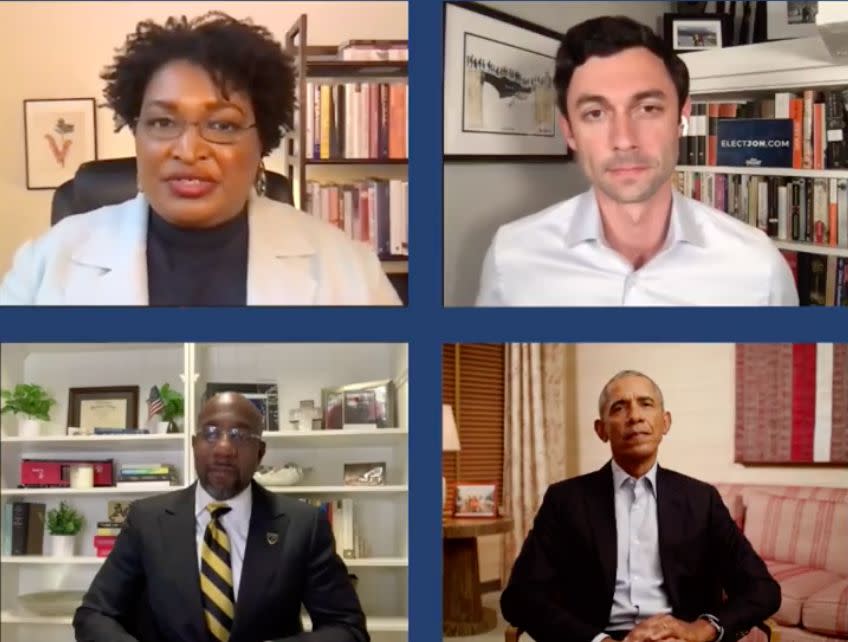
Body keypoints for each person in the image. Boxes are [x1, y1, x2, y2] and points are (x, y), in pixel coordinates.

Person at [0, 12, 400, 306]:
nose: (189, 151)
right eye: (162, 122)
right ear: (136, 134)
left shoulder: (348, 272)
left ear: (261, 143)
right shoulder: (45, 264)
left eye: (223, 126)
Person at [476, 16, 798, 306]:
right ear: (570, 132)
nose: (624, 139)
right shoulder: (511, 258)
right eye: (595, 114)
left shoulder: (759, 267)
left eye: (647, 109)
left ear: (681, 119)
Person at [500, 370, 780, 642]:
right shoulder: (564, 500)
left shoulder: (701, 499)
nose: (634, 416)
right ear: (601, 430)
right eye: (619, 407)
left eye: (646, 404)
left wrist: (700, 630)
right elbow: (520, 596)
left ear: (665, 422)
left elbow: (762, 589)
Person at [73, 392, 368, 642]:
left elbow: (347, 628)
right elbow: (94, 615)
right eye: (211, 433)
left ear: (260, 452)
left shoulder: (303, 525)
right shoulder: (146, 519)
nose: (224, 449)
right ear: (194, 444)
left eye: (239, 436)